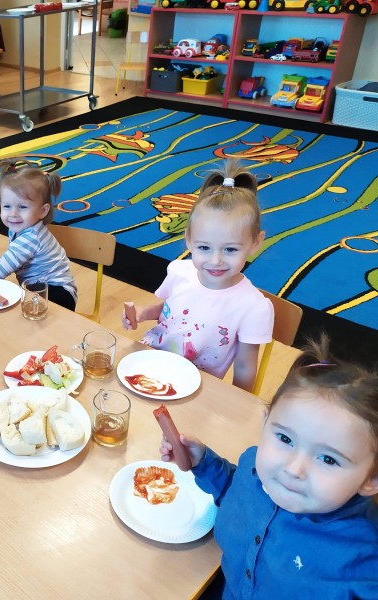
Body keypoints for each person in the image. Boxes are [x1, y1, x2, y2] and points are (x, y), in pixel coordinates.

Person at [161, 336, 378, 599]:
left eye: (328, 459)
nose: (293, 469)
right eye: (285, 439)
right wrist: (203, 463)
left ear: (372, 479)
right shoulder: (255, 469)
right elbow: (236, 492)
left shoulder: (363, 563)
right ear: (265, 423)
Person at [122, 160, 273, 391]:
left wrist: (238, 405)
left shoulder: (254, 307)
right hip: (150, 362)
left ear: (255, 242)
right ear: (189, 240)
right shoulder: (179, 271)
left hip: (195, 387)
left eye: (230, 249)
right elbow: (171, 308)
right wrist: (144, 313)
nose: (216, 260)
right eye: (204, 248)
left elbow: (244, 367)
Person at [0, 158, 77, 311]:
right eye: (7, 206)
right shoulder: (19, 227)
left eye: (23, 207)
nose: (13, 214)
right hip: (40, 289)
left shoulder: (30, 237)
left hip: (57, 295)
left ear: (43, 211)